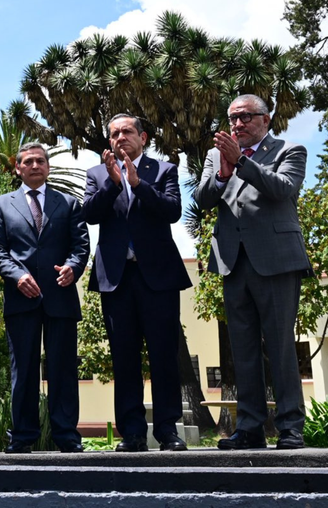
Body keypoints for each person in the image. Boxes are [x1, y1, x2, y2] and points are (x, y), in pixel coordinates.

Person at [194, 94, 311, 450]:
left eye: (246, 116)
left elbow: (283, 189)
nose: (238, 123)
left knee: (280, 346)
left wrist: (242, 162)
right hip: (233, 260)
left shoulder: (289, 150)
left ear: (266, 119)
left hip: (276, 260)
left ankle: (290, 428)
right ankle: (249, 428)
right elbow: (202, 199)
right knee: (242, 349)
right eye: (233, 118)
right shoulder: (216, 155)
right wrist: (222, 173)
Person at [83, 115, 191, 452]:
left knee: (164, 355)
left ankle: (168, 431)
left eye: (127, 131)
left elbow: (172, 211)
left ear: (142, 137)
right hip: (117, 280)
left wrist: (138, 184)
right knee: (124, 357)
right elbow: (90, 214)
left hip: (158, 277)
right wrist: (114, 184)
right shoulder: (97, 174)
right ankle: (131, 433)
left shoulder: (163, 170)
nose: (120, 137)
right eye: (114, 133)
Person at [0, 142, 91, 453]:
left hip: (60, 296)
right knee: (23, 371)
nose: (35, 166)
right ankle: (22, 436)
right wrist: (17, 276)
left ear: (48, 167)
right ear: (18, 168)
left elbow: (81, 246)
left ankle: (66, 435)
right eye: (28, 162)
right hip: (21, 298)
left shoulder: (68, 203)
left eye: (40, 161)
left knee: (63, 370)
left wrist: (73, 267)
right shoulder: (1, 205)